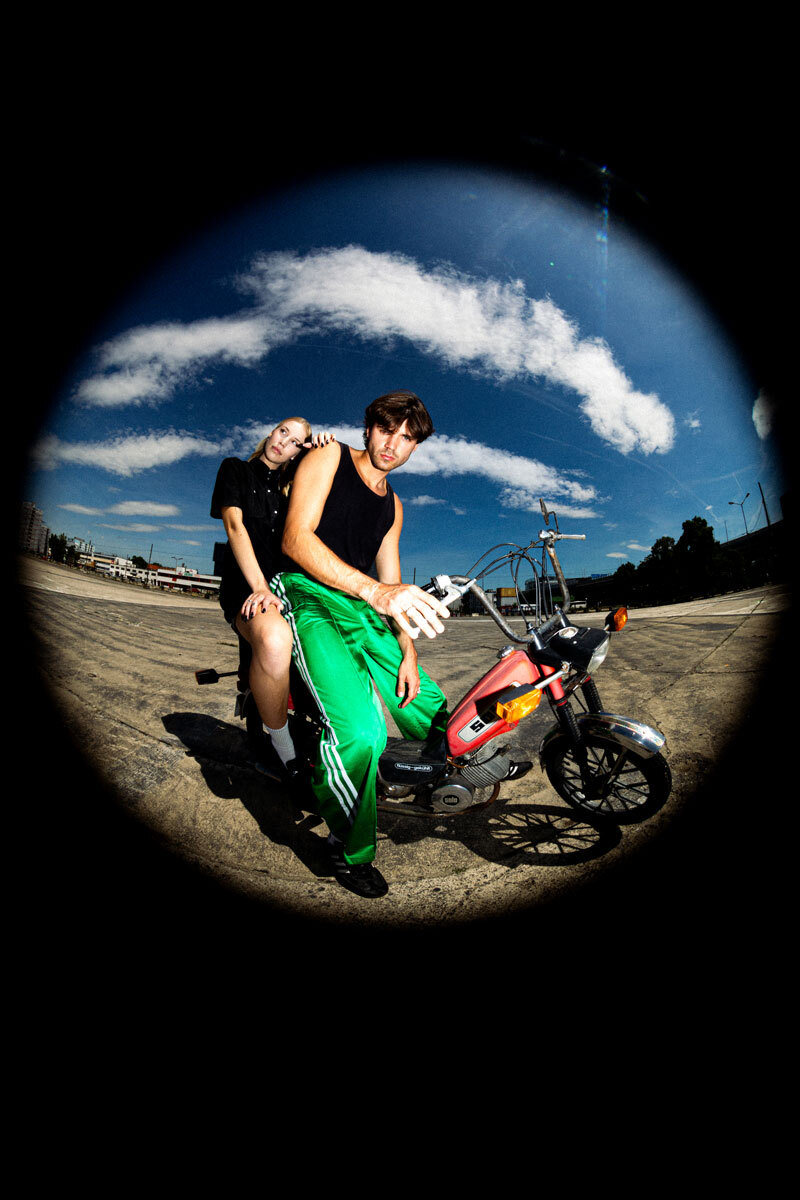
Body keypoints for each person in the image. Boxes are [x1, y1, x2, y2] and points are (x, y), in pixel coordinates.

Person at [275, 391, 455, 899]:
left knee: (430, 704)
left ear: (417, 446)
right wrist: (374, 591)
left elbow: (391, 581)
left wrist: (409, 650)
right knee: (361, 732)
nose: (392, 446)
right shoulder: (328, 457)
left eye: (407, 438)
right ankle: (346, 847)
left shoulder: (394, 506)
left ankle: (448, 773)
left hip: (364, 605)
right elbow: (295, 538)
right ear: (369, 427)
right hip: (308, 593)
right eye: (385, 431)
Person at [210, 418, 334, 780]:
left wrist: (323, 451)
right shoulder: (235, 469)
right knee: (275, 640)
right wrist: (260, 587)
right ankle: (286, 753)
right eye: (283, 432)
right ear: (271, 432)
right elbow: (235, 527)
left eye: (296, 442)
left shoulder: (291, 488)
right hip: (248, 589)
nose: (285, 442)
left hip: (288, 589)